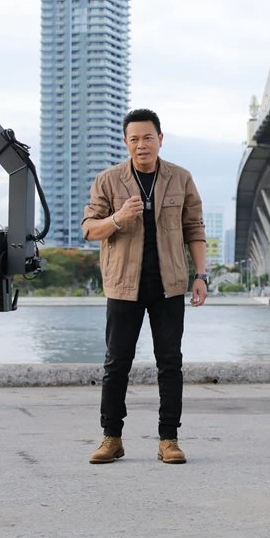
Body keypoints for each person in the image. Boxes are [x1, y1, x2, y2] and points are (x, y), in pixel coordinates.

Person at [81, 108, 208, 465]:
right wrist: (119, 217)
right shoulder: (108, 181)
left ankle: (169, 439)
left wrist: (201, 276)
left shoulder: (181, 178)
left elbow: (195, 229)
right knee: (116, 363)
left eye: (148, 138)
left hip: (169, 285)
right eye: (134, 139)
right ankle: (111, 438)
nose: (142, 145)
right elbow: (89, 229)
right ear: (126, 142)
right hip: (123, 286)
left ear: (160, 140)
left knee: (170, 363)